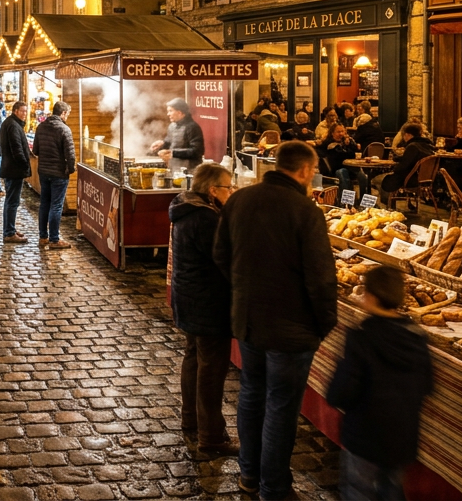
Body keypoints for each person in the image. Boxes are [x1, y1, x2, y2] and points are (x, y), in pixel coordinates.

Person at [214, 141, 337, 499]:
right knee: (281, 407)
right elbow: (321, 278)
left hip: (249, 320)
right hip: (291, 327)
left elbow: (220, 254)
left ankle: (249, 476)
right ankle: (275, 488)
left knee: (252, 395)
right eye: (313, 171)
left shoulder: (239, 200)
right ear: (304, 170)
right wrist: (324, 323)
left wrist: (243, 289)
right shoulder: (305, 211)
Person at [326, 266, 433, 501]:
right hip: (402, 438)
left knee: (358, 490)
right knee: (392, 490)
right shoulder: (418, 337)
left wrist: (334, 395)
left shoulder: (361, 337)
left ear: (371, 297)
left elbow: (342, 390)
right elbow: (427, 386)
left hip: (364, 437)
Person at [169, 163, 236, 459]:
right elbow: (225, 261)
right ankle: (210, 438)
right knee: (211, 369)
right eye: (228, 187)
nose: (231, 191)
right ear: (213, 190)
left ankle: (191, 419)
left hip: (188, 298)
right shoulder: (207, 218)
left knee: (194, 359)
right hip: (208, 303)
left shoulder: (186, 208)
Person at [34, 101, 76, 248]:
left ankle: (43, 237)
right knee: (56, 206)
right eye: (67, 114)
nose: (68, 117)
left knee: (44, 203)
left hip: (44, 172)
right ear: (63, 113)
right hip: (59, 173)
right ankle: (54, 239)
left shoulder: (41, 127)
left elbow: (35, 151)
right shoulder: (64, 129)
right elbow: (70, 155)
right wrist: (71, 169)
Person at [0, 101, 33, 243]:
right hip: (14, 169)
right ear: (15, 111)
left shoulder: (12, 124)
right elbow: (16, 149)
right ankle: (9, 232)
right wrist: (25, 164)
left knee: (10, 201)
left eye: (26, 111)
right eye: (22, 111)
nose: (25, 114)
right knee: (12, 202)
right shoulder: (13, 126)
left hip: (10, 168)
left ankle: (10, 228)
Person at [377, 123, 436, 198]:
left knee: (377, 180)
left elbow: (403, 166)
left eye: (404, 135)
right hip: (426, 180)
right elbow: (413, 158)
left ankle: (385, 206)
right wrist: (400, 158)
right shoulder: (428, 145)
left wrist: (393, 169)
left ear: (409, 135)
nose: (403, 137)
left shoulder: (412, 146)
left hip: (410, 179)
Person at [149, 98, 206, 172]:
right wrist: (161, 144)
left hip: (189, 171)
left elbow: (197, 151)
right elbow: (169, 142)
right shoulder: (172, 126)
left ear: (180, 112)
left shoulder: (192, 127)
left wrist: (173, 153)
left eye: (170, 111)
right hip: (174, 169)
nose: (168, 114)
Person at [320, 123, 368, 197]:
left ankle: (363, 200)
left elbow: (355, 152)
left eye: (342, 131)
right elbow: (340, 156)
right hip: (337, 168)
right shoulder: (330, 143)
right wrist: (348, 148)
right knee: (343, 172)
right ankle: (346, 202)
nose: (341, 134)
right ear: (332, 133)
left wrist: (350, 145)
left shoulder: (347, 141)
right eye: (338, 132)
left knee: (363, 175)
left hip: (350, 167)